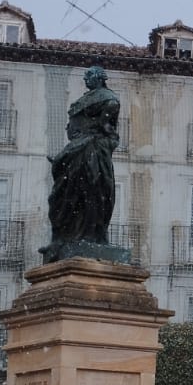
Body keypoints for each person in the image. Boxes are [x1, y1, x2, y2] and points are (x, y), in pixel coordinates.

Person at [46, 66, 123, 250]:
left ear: (99, 78)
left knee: (93, 190)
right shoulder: (87, 98)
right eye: (85, 77)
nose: (86, 80)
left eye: (89, 76)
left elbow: (109, 124)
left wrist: (98, 129)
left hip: (92, 149)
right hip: (75, 150)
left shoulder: (107, 98)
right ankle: (64, 236)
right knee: (62, 195)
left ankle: (92, 235)